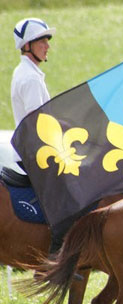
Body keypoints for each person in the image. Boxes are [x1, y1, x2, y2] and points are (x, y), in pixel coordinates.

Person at [11, 18, 66, 260]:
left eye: (47, 40)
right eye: (42, 41)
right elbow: (39, 124)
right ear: (27, 45)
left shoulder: (28, 72)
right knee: (71, 195)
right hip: (38, 153)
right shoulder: (30, 79)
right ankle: (56, 254)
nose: (47, 45)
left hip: (33, 149)